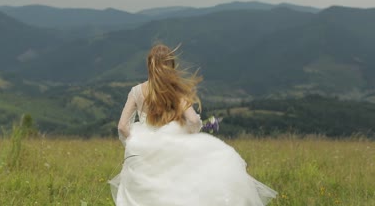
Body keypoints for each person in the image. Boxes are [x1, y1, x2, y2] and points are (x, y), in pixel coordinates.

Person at [109, 44, 277, 206]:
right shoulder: (176, 91)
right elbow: (194, 121)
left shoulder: (136, 91)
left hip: (143, 152)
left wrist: (139, 142)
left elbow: (122, 126)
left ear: (149, 65)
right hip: (173, 147)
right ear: (171, 65)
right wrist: (189, 134)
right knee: (179, 190)